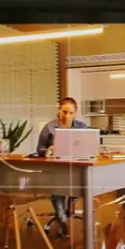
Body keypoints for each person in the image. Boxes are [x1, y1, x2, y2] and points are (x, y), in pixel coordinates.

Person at [35, 97, 90, 238]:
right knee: (59, 188)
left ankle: (69, 209)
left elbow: (89, 146)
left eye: (71, 112)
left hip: (76, 168)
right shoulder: (49, 127)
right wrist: (48, 150)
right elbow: (40, 149)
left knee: (80, 184)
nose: (67, 116)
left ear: (76, 113)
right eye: (64, 112)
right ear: (59, 111)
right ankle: (63, 219)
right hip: (56, 169)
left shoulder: (82, 127)